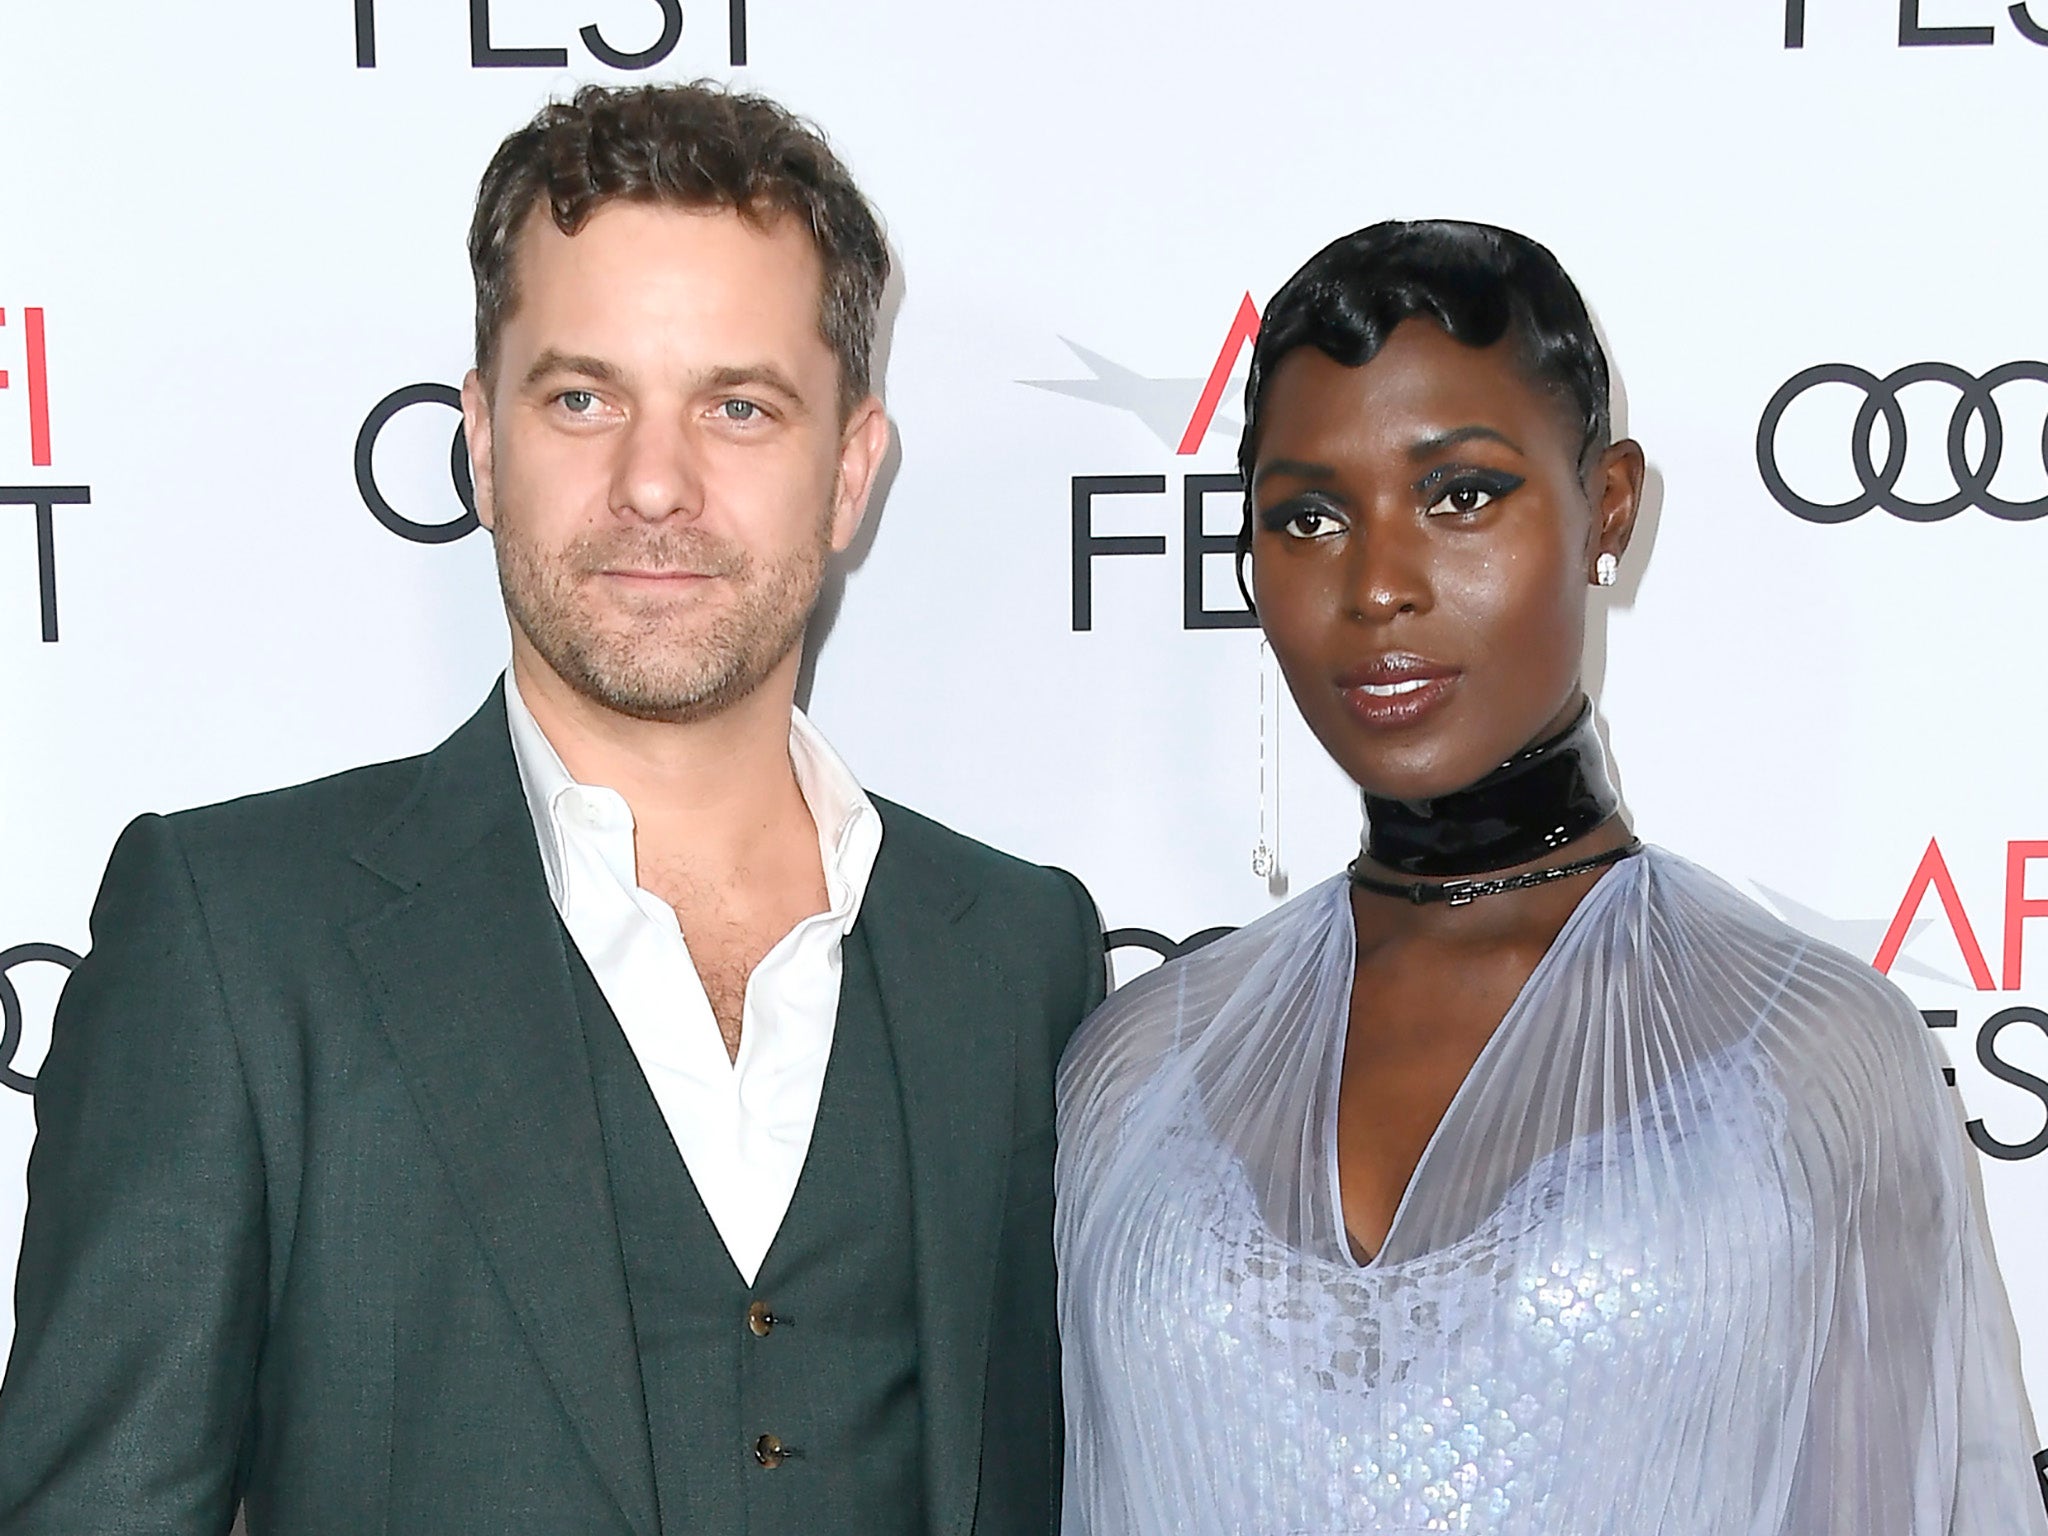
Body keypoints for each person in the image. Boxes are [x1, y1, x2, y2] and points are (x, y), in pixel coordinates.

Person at [0, 83, 1103, 1536]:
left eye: (740, 407)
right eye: (581, 398)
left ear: (848, 473)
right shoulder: (234, 937)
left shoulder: (1020, 952)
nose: (656, 484)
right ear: (480, 442)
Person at [1054, 219, 2045, 1535]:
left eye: (1461, 494)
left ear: (1609, 507)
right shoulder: (1139, 1063)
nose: (1380, 584)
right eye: (1308, 516)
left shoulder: (1809, 1054)